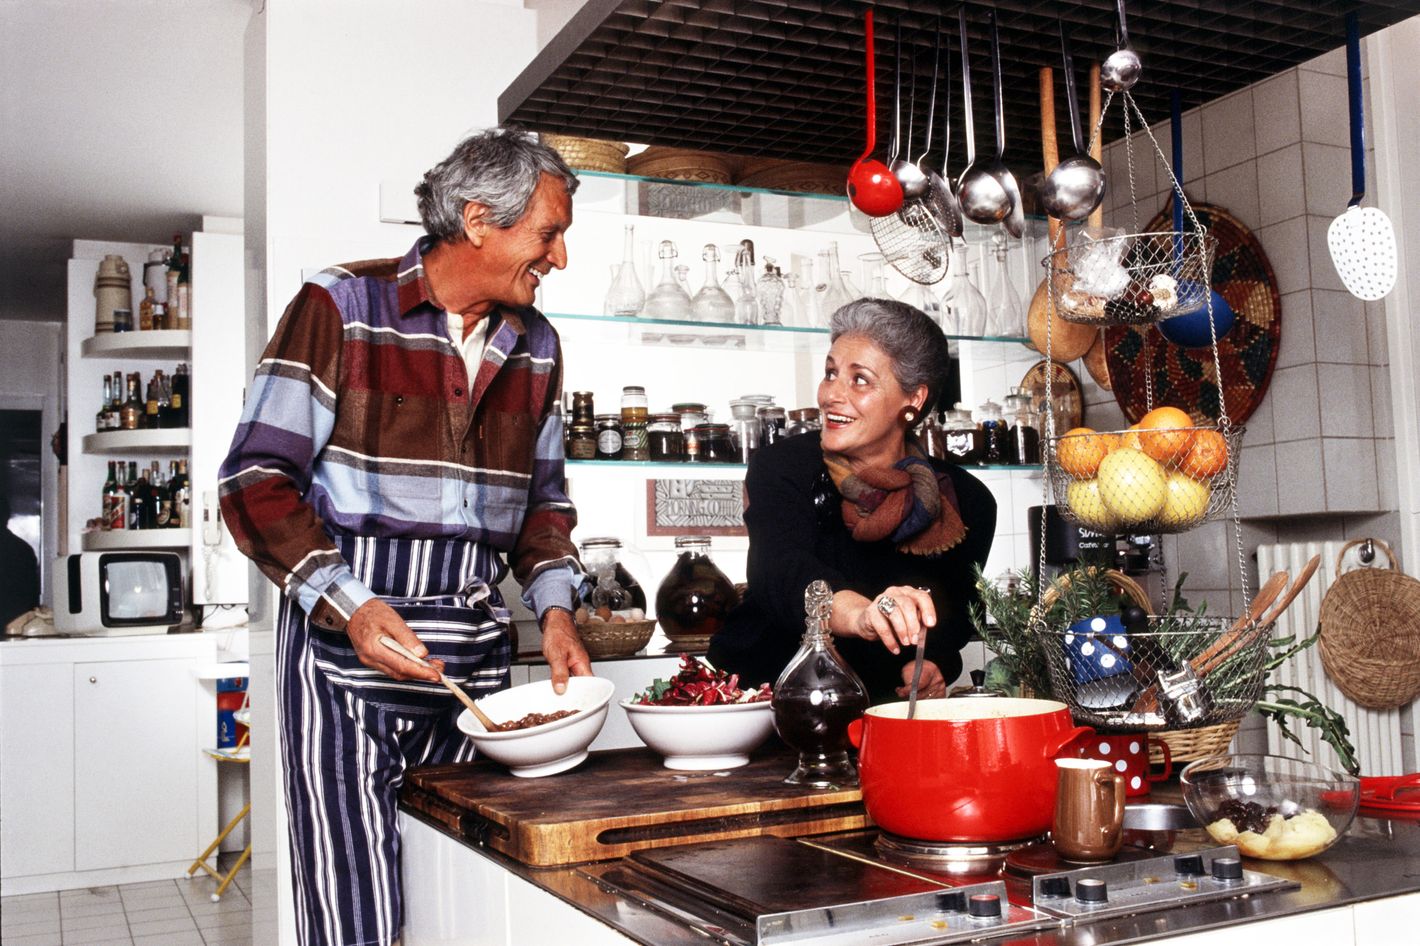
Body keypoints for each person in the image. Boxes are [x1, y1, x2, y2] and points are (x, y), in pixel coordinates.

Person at [219, 127, 591, 946]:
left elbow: (544, 504)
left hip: (476, 649)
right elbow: (254, 482)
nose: (559, 258)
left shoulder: (540, 345)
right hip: (347, 640)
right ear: (478, 219)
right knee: (355, 909)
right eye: (548, 234)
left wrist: (558, 612)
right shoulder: (342, 306)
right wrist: (349, 605)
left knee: (466, 893)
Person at [709, 298, 995, 704]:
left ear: (912, 399)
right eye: (831, 373)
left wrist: (933, 664)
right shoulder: (785, 465)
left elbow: (956, 619)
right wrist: (862, 615)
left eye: (859, 379)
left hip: (881, 714)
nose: (831, 395)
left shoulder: (965, 500)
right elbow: (780, 573)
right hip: (762, 705)